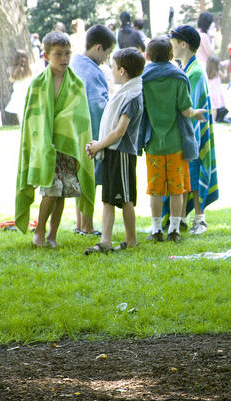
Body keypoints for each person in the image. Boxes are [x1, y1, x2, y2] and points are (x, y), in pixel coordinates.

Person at [14, 32, 95, 248]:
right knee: (50, 192)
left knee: (62, 194)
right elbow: (35, 118)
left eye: (67, 54)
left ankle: (52, 234)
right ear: (47, 55)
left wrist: (62, 125)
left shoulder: (76, 83)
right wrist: (47, 132)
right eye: (58, 54)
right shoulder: (38, 84)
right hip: (46, 147)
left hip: (67, 149)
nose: (64, 59)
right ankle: (39, 231)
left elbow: (80, 116)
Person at [137, 37, 206, 243]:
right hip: (176, 144)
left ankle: (156, 229)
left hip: (153, 144)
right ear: (170, 56)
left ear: (147, 56)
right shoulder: (178, 77)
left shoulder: (143, 79)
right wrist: (197, 113)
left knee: (155, 191)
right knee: (177, 189)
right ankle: (174, 230)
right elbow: (186, 111)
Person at [84, 48, 145, 254]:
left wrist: (98, 145)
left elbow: (119, 131)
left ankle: (132, 240)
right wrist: (100, 143)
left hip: (121, 153)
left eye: (112, 68)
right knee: (108, 198)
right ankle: (105, 241)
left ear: (122, 71)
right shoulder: (124, 93)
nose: (110, 72)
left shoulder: (132, 96)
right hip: (111, 151)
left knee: (125, 199)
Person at [170, 25, 219, 235]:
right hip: (187, 133)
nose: (171, 45)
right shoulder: (185, 68)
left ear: (184, 44)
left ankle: (200, 220)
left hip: (194, 134)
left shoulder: (195, 71)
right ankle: (179, 219)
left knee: (195, 171)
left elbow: (189, 106)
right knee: (185, 175)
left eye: (174, 41)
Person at [70, 24, 117, 236]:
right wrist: (104, 138)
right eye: (106, 53)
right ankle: (87, 226)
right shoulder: (90, 71)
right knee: (88, 180)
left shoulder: (75, 64)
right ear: (99, 48)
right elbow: (97, 105)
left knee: (80, 180)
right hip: (90, 134)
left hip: (74, 132)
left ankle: (80, 224)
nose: (106, 58)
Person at [5, 50, 34, 122]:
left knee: (20, 113)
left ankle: (22, 127)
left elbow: (11, 79)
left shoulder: (12, 69)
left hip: (18, 92)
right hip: (28, 90)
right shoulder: (30, 68)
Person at [206, 55, 227, 122]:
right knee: (215, 108)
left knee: (212, 108)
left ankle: (212, 120)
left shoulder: (206, 73)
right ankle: (213, 121)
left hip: (210, 92)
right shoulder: (218, 73)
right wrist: (225, 69)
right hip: (216, 93)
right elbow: (225, 76)